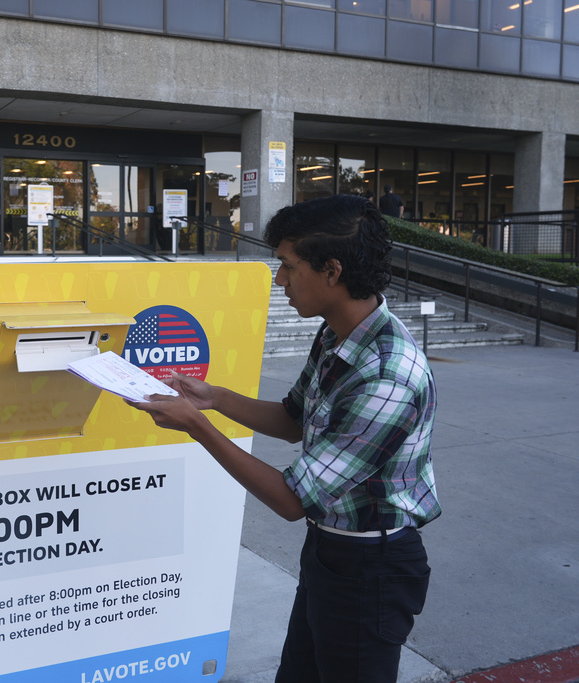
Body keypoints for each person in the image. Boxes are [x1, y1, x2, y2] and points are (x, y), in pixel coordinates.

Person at [129, 194, 440, 683]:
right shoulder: (337, 334)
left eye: (289, 267)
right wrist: (212, 396)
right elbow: (293, 418)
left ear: (332, 271)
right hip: (330, 553)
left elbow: (294, 500)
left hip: (371, 568)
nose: (280, 281)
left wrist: (197, 426)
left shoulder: (386, 375)